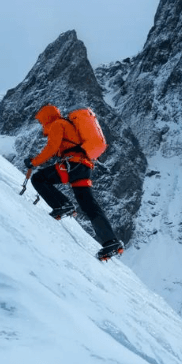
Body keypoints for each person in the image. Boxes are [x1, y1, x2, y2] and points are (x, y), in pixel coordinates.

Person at [23, 104, 124, 260]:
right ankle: (111, 242)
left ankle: (62, 205)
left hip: (72, 164)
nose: (41, 124)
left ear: (46, 117)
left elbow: (51, 148)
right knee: (88, 204)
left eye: (41, 120)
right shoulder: (67, 124)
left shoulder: (58, 124)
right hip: (83, 167)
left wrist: (34, 162)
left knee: (39, 178)